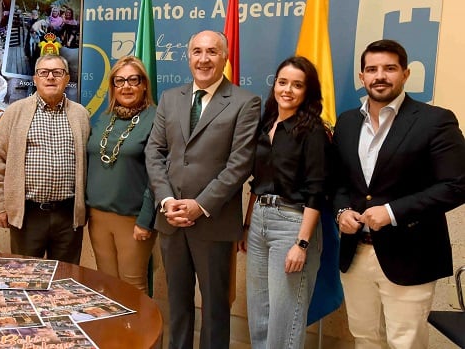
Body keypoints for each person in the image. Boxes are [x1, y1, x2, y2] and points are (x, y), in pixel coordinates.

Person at [333, 39, 465, 348]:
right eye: (372, 69)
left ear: (405, 74)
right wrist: (341, 211)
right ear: (362, 77)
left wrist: (392, 212)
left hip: (412, 254)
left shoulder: (435, 120)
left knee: (404, 342)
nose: (380, 76)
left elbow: (457, 185)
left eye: (389, 68)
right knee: (365, 337)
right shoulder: (348, 122)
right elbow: (338, 182)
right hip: (356, 254)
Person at [145, 30, 261, 349]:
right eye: (197, 51)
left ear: (224, 58)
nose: (204, 59)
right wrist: (167, 200)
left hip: (213, 222)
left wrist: (200, 205)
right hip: (171, 221)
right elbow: (154, 152)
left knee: (214, 310)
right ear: (188, 56)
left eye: (212, 52)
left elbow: (240, 164)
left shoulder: (245, 102)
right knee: (178, 307)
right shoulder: (170, 98)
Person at [239, 56, 331, 348]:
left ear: (308, 91)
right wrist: (248, 223)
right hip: (259, 224)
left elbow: (317, 190)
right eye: (282, 82)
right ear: (274, 85)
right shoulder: (266, 123)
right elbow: (258, 181)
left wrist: (301, 244)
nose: (287, 90)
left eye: (297, 85)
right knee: (259, 316)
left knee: (284, 320)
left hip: (292, 225)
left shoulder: (313, 130)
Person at [0, 54, 89, 265]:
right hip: (27, 215)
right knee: (25, 277)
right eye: (44, 72)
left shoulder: (80, 115)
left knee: (65, 279)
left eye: (57, 72)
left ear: (67, 78)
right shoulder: (15, 112)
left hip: (67, 217)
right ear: (35, 79)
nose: (50, 77)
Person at [86, 56, 157, 293]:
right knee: (106, 285)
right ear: (113, 87)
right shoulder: (104, 118)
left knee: (133, 287)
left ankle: (141, 332)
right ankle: (113, 332)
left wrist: (146, 220)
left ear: (144, 84)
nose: (126, 86)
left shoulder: (156, 119)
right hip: (97, 217)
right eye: (119, 81)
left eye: (133, 80)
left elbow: (159, 175)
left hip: (133, 219)